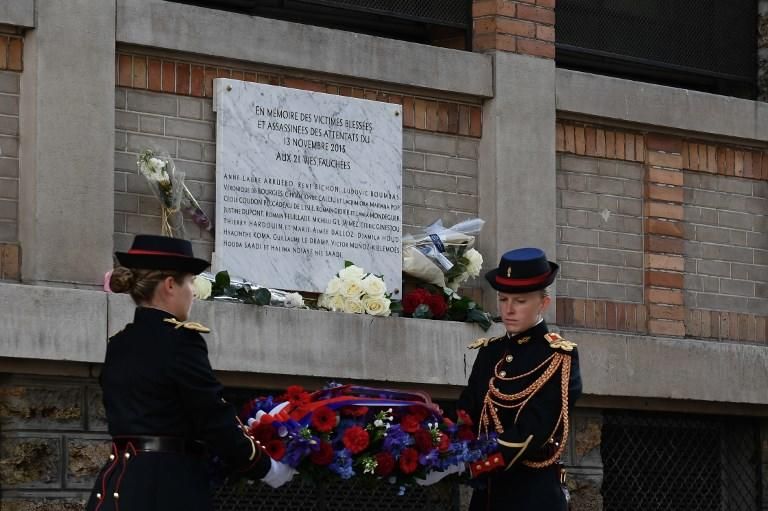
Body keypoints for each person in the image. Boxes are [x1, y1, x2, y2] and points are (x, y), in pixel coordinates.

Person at [86, 234, 295, 511]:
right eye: (190, 282)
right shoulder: (181, 341)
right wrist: (266, 467)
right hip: (166, 488)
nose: (193, 292)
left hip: (117, 485)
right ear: (170, 285)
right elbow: (212, 416)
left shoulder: (119, 343)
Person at [457, 247, 582, 511]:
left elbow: (535, 428)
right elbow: (467, 410)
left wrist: (477, 462)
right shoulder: (490, 352)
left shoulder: (558, 356)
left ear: (543, 303)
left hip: (532, 496)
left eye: (520, 301)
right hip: (487, 496)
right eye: (503, 299)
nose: (509, 309)